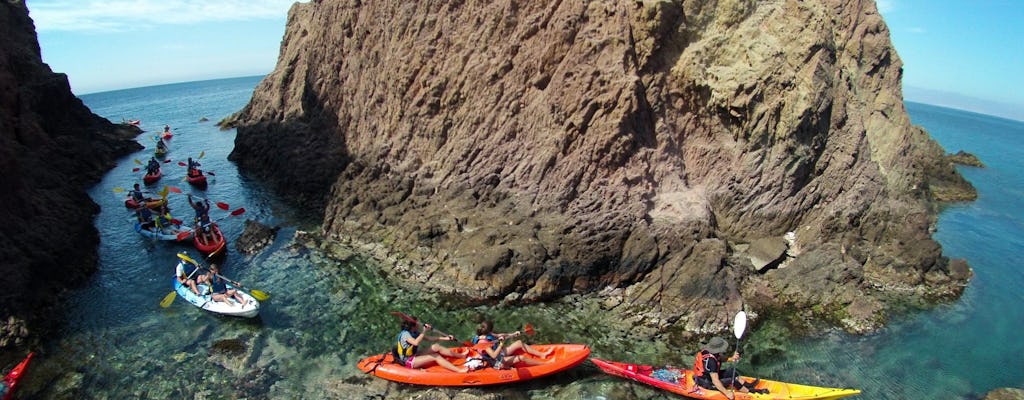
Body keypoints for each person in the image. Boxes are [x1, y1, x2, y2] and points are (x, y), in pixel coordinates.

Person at [693, 337, 767, 399]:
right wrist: (727, 393)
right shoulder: (711, 362)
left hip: (707, 376)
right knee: (732, 380)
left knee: (731, 371)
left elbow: (719, 358)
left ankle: (747, 385)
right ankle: (750, 392)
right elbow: (715, 381)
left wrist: (731, 358)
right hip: (706, 382)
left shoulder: (708, 352)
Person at [392, 317, 467, 373]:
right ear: (412, 327)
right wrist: (424, 331)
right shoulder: (405, 334)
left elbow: (429, 338)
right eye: (417, 323)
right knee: (436, 356)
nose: (419, 324)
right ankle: (458, 370)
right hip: (408, 360)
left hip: (414, 354)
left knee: (436, 346)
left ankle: (461, 356)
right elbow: (415, 342)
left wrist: (446, 338)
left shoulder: (415, 332)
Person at [472, 319, 552, 359]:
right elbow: (493, 356)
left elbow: (500, 335)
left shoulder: (484, 334)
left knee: (518, 342)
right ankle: (542, 355)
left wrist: (513, 334)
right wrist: (501, 344)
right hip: (498, 356)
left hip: (500, 350)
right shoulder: (483, 343)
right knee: (519, 343)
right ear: (490, 330)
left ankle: (540, 354)